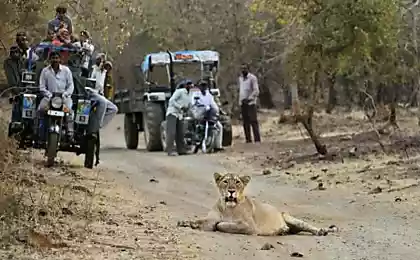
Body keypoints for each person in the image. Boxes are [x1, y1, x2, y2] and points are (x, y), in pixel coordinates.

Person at [38, 51, 74, 141]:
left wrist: (65, 94)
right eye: (53, 58)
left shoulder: (66, 70)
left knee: (69, 111)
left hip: (64, 98)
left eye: (57, 58)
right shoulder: (45, 71)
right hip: (49, 98)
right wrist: (49, 95)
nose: (55, 60)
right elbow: (42, 87)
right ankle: (39, 130)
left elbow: (71, 86)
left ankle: (70, 131)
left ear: (60, 59)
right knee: (40, 109)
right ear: (50, 60)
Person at [191, 81, 224, 152]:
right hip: (200, 113)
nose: (203, 87)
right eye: (202, 86)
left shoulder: (209, 95)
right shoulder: (195, 94)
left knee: (219, 126)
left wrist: (217, 110)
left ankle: (218, 146)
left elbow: (213, 104)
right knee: (199, 126)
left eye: (205, 86)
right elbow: (193, 104)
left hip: (209, 114)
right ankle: (197, 140)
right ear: (199, 87)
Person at [165, 79, 193, 156]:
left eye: (191, 84)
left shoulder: (189, 94)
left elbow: (189, 104)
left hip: (180, 115)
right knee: (171, 132)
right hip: (172, 113)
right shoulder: (180, 91)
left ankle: (181, 150)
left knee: (180, 133)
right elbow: (171, 101)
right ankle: (170, 150)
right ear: (184, 85)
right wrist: (180, 107)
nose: (190, 85)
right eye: (188, 84)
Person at [238, 63, 261, 143]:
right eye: (242, 68)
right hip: (243, 103)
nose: (243, 70)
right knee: (245, 122)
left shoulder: (252, 78)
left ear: (248, 69)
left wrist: (249, 98)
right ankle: (248, 139)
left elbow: (256, 90)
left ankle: (257, 139)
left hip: (251, 103)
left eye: (245, 68)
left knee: (253, 121)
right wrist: (240, 101)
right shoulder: (240, 78)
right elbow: (241, 91)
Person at [3, 46, 25, 122]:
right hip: (14, 88)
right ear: (11, 54)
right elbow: (10, 78)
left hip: (23, 87)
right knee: (16, 108)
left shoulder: (21, 61)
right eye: (13, 52)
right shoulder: (8, 62)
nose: (15, 54)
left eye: (17, 52)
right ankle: (15, 125)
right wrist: (16, 91)